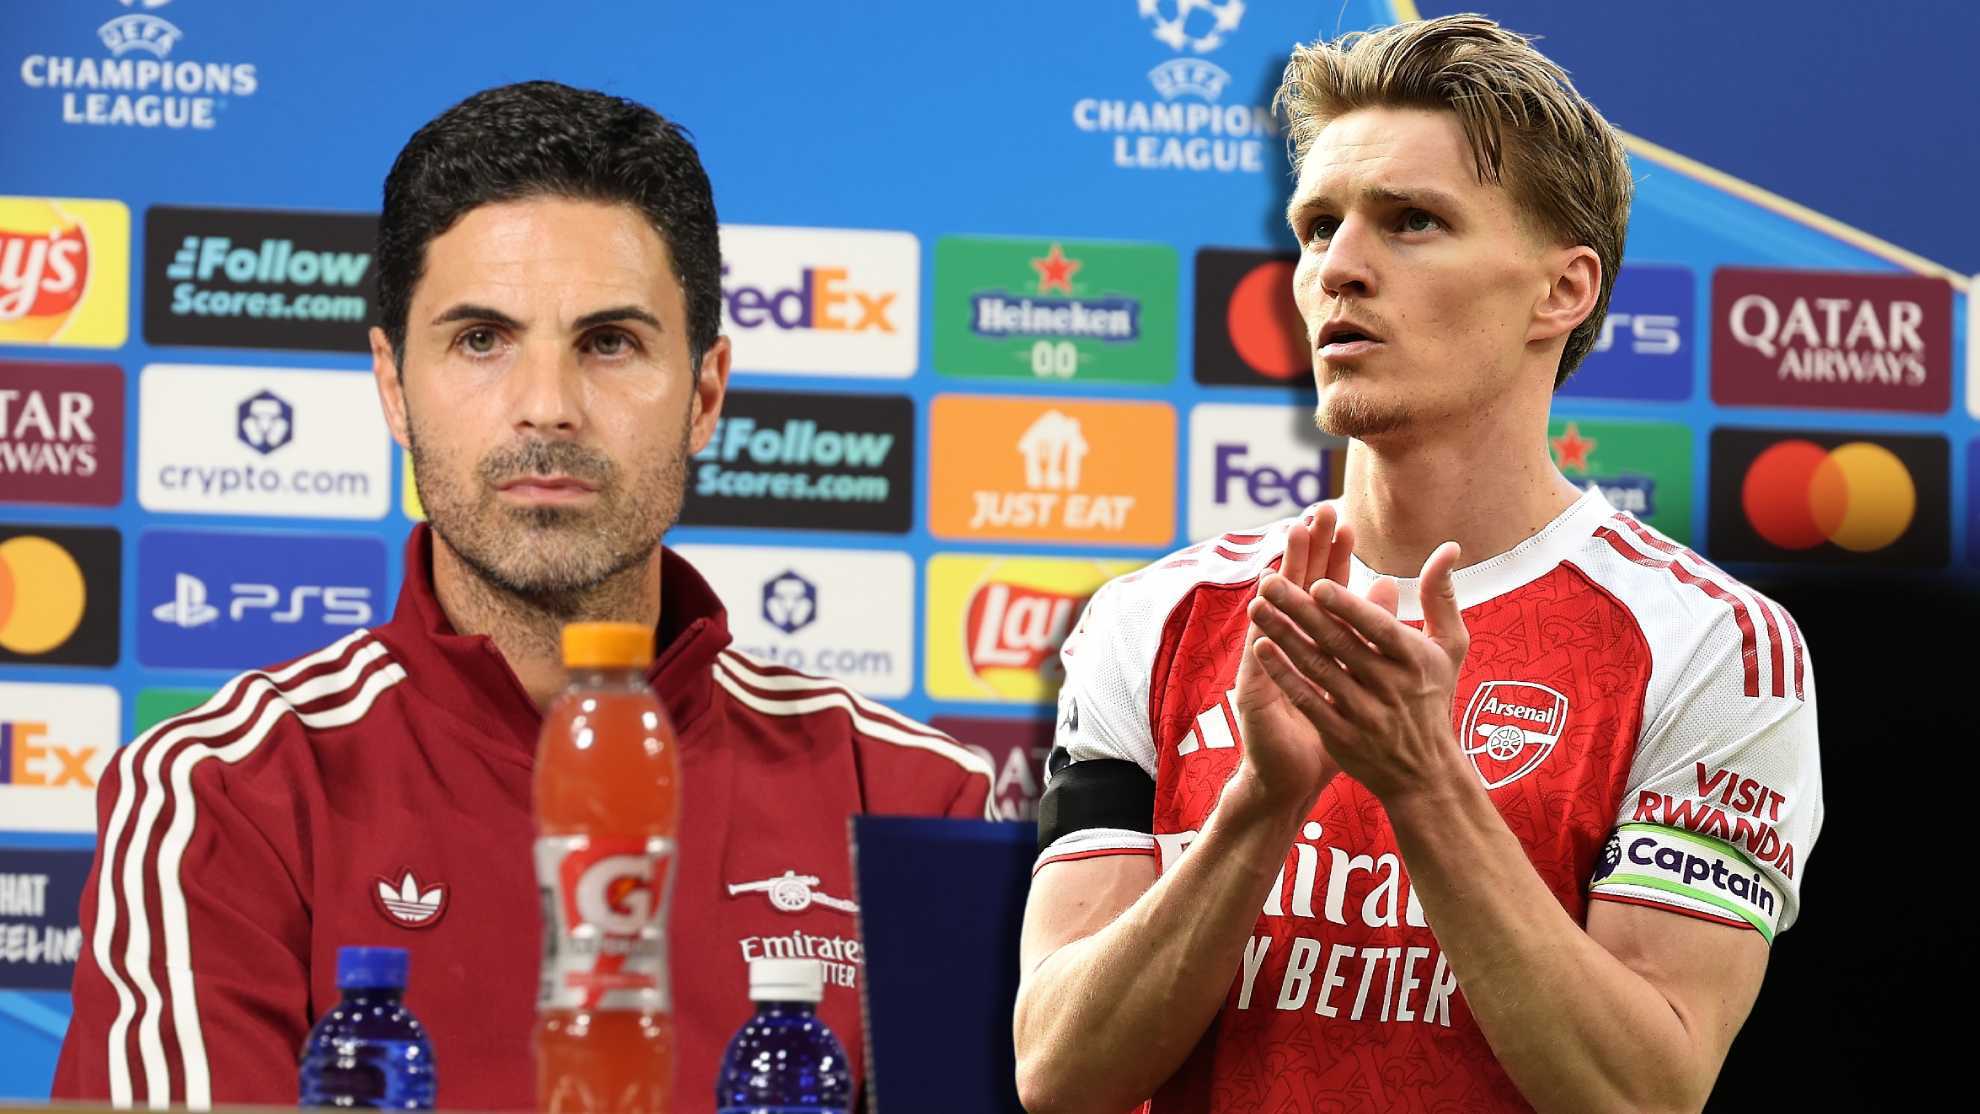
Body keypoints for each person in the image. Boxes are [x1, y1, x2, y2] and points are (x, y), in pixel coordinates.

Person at [53, 81, 992, 1112]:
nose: (547, 407)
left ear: (706, 394)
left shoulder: (910, 798)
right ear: (393, 387)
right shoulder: (221, 795)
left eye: (610, 341)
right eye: (481, 339)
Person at [1014, 15, 1822, 1114]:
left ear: (1562, 291)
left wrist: (1425, 782)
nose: (1338, 270)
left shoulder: (1711, 643)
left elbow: (1643, 1093)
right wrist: (1259, 808)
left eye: (1411, 222)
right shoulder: (1153, 618)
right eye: (1318, 228)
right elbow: (1061, 1074)